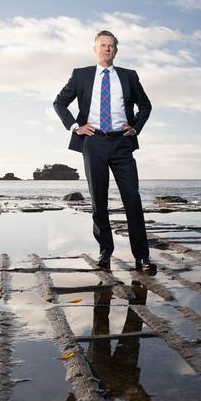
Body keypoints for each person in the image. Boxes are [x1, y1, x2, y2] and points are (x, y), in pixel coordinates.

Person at [53, 30, 154, 272]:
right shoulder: (81, 75)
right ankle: (105, 251)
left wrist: (135, 127)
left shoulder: (129, 76)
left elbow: (146, 105)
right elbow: (59, 102)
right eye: (102, 45)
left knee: (132, 198)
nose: (106, 49)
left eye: (111, 46)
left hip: (122, 143)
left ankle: (142, 257)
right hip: (94, 142)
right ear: (95, 49)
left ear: (116, 51)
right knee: (98, 201)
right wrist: (76, 127)